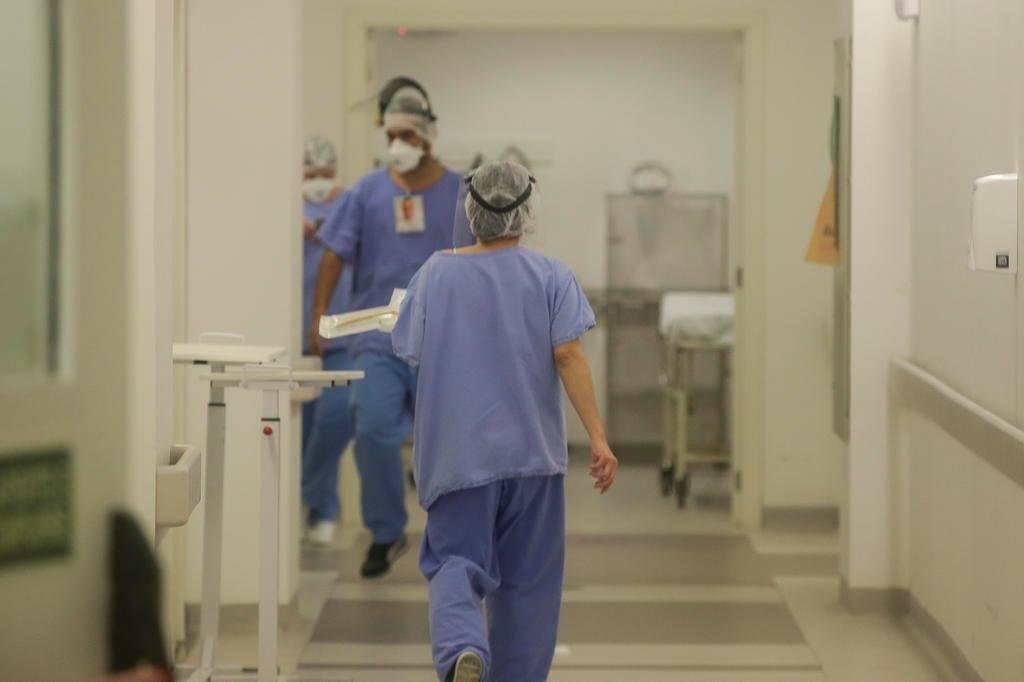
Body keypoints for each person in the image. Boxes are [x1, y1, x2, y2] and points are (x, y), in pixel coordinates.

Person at [391, 160, 619, 682]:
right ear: (526, 213)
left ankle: (462, 648)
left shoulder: (434, 274)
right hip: (532, 459)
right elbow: (569, 357)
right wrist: (598, 439)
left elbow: (410, 349)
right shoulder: (552, 276)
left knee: (455, 561)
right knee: (529, 585)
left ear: (470, 213)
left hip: (458, 458)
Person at [310, 78, 463, 578]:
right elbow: (334, 253)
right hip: (377, 336)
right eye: (392, 135)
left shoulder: (459, 192)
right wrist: (319, 316)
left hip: (443, 340)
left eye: (408, 136)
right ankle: (386, 530)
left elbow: (483, 260)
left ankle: (456, 536)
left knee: (450, 445)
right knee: (372, 427)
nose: (398, 144)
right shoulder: (367, 192)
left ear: (428, 136)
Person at [300, 134, 355, 546]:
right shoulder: (286, 210)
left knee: (335, 420)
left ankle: (307, 495)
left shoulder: (351, 208)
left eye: (325, 173)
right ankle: (321, 511)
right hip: (297, 337)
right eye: (311, 173)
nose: (319, 180)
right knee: (302, 431)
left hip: (341, 334)